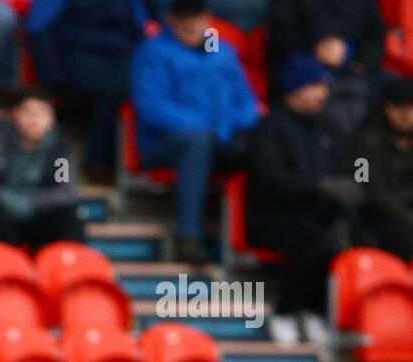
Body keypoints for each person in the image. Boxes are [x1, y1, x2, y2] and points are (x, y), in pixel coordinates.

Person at [131, 0, 259, 264]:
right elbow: (152, 107)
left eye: (196, 16)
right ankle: (188, 237)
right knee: (196, 143)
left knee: (266, 144)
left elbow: (248, 104)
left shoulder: (224, 53)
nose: (190, 23)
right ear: (171, 19)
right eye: (183, 16)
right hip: (164, 144)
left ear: (208, 19)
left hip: (221, 138)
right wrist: (206, 126)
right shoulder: (153, 52)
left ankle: (255, 236)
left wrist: (225, 126)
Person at [247, 55, 356, 324]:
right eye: (316, 86)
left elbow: (354, 165)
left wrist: (356, 185)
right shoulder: (270, 127)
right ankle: (286, 311)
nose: (324, 93)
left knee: (354, 234)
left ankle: (320, 314)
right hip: (274, 217)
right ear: (295, 89)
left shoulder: (330, 127)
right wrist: (319, 187)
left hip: (320, 214)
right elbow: (269, 180)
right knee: (320, 241)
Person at [25, 0, 147, 179]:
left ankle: (117, 163)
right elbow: (37, 27)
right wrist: (52, 77)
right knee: (118, 85)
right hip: (74, 58)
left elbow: (138, 28)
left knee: (139, 82)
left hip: (119, 60)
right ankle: (98, 163)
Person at [0, 86, 86, 249]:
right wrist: (8, 201)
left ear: (52, 119)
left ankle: (68, 268)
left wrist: (31, 203)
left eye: (42, 113)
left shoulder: (60, 151)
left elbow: (64, 191)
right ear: (15, 115)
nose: (35, 119)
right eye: (28, 112)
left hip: (41, 213)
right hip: (4, 213)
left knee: (69, 218)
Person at [356, 75, 413, 261]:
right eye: (399, 107)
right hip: (379, 219)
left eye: (411, 107)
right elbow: (366, 188)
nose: (406, 115)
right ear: (385, 108)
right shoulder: (365, 142)